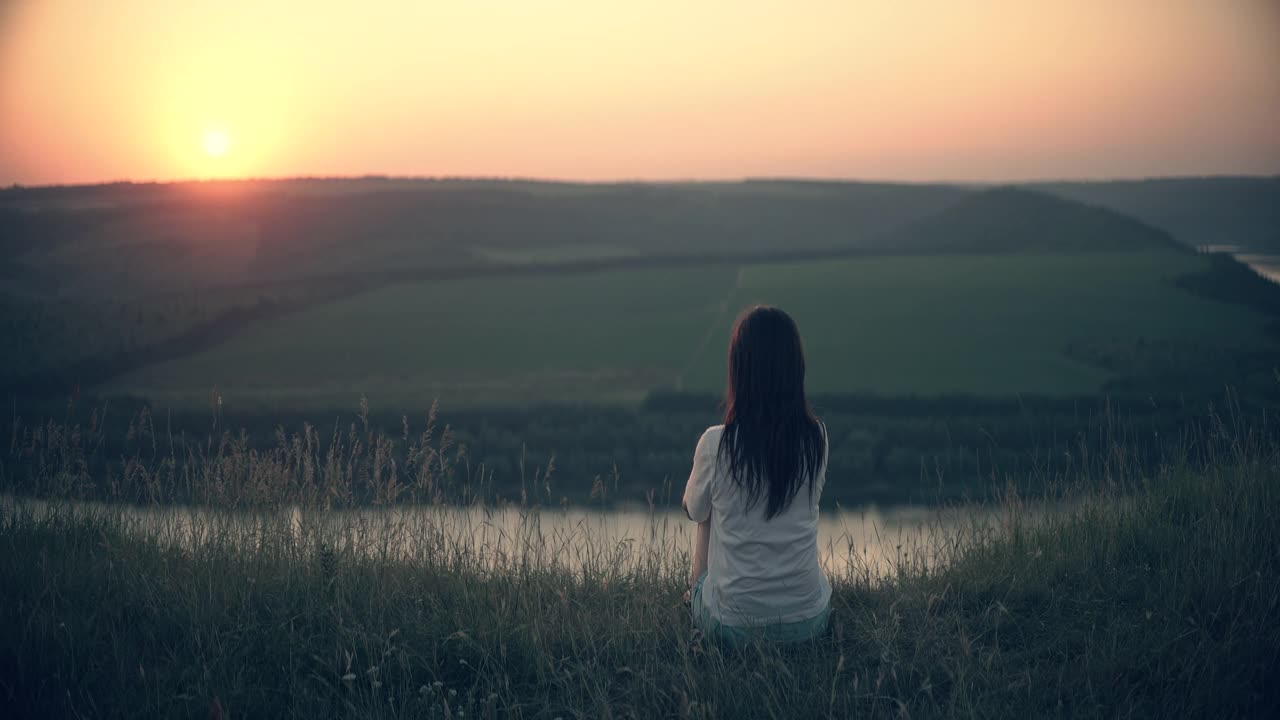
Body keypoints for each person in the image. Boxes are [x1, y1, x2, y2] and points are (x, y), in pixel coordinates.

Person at [683, 305, 831, 644]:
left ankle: (696, 602)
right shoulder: (817, 439)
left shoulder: (715, 444)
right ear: (796, 369)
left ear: (740, 370)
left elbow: (693, 510)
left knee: (707, 515)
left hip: (731, 628)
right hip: (809, 622)